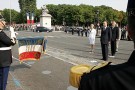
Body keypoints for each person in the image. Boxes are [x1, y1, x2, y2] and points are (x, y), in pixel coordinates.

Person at [79, 0, 135, 90]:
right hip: (103, 40)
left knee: (108, 49)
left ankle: (107, 57)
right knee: (103, 50)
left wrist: (111, 39)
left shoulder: (93, 81)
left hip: (109, 40)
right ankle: (104, 57)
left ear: (129, 31)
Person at [0, 19, 16, 89]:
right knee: (3, 80)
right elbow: (12, 42)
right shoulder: (1, 33)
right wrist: (12, 32)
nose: (4, 23)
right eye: (2, 21)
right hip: (3, 60)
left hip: (2, 59)